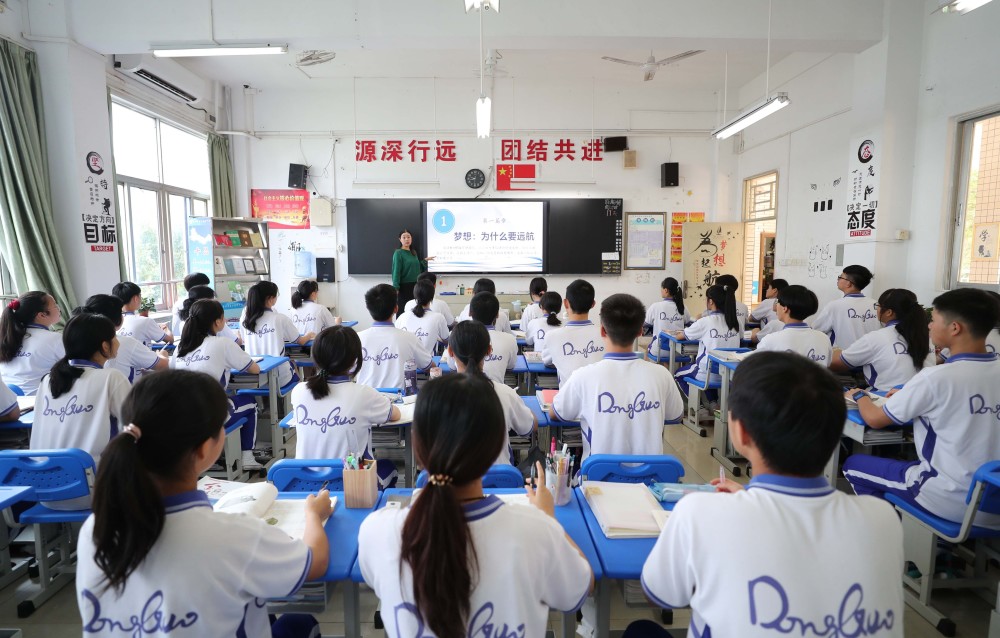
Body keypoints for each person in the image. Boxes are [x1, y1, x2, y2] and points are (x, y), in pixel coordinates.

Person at [635, 352, 903, 638]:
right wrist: (751, 497)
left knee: (641, 630)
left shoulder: (699, 512)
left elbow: (660, 595)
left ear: (741, 433)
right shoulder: (883, 518)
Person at [76, 369, 333, 638]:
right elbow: (316, 562)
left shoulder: (95, 529)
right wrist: (313, 514)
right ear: (203, 449)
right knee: (299, 623)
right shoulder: (232, 535)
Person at [358, 373, 593, 638]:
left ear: (418, 447)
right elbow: (582, 587)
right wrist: (549, 518)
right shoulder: (536, 530)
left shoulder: (377, 532)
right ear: (496, 450)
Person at [843, 288, 1000, 528]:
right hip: (994, 501)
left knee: (854, 465)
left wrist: (861, 396)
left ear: (955, 328)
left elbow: (874, 418)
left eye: (933, 320)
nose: (928, 326)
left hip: (950, 498)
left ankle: (892, 537)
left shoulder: (936, 378)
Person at [551, 294, 684, 462]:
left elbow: (555, 413)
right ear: (640, 331)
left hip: (597, 482)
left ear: (602, 330)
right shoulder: (662, 375)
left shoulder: (583, 376)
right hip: (651, 483)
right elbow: (675, 415)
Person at [291, 326, 400, 488]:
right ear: (355, 360)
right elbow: (395, 414)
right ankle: (373, 509)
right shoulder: (364, 394)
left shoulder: (299, 391)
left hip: (302, 486)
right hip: (352, 486)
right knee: (390, 468)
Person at [30, 314, 130, 471]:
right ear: (105, 346)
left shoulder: (48, 380)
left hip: (40, 479)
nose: (117, 342)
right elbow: (136, 424)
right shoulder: (111, 377)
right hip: (89, 481)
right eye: (115, 336)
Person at [172, 299, 263, 470]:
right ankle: (247, 457)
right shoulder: (223, 343)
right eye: (223, 317)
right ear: (217, 321)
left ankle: (209, 460)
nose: (225, 321)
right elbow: (255, 369)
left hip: (182, 417)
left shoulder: (180, 348)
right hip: (211, 415)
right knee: (250, 401)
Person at [448, 321, 536, 465]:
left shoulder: (435, 396)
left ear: (450, 351)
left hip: (453, 482)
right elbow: (529, 427)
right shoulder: (506, 393)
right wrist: (523, 407)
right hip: (501, 482)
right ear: (489, 350)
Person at [829, 288, 929, 391]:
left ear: (889, 312)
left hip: (886, 398)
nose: (876, 310)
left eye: (878, 306)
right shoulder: (926, 337)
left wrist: (832, 352)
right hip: (922, 397)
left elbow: (837, 364)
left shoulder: (877, 337)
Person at [75, 294, 169, 384]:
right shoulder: (125, 343)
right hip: (129, 398)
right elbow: (163, 365)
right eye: (121, 313)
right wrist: (162, 354)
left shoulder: (79, 342)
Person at [356, 284, 434, 389]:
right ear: (396, 308)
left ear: (368, 309)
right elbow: (429, 367)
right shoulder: (410, 338)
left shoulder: (356, 339)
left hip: (365, 401)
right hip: (400, 402)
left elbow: (348, 372)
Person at [673, 284, 740, 403]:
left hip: (707, 373)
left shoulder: (705, 322)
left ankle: (700, 408)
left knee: (678, 374)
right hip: (730, 375)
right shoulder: (735, 322)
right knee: (708, 365)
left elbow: (680, 336)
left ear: (711, 302)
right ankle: (713, 403)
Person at [240, 281, 313, 388]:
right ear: (270, 298)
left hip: (252, 378)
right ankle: (294, 401)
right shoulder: (280, 318)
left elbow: (243, 340)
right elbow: (300, 341)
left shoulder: (245, 321)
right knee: (292, 365)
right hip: (277, 377)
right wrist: (309, 335)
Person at [542, 279, 605, 387]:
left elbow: (547, 361)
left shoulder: (552, 336)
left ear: (566, 303)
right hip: (598, 399)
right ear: (593, 304)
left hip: (568, 401)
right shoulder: (606, 335)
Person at [0, 291, 65, 395]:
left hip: (8, 402)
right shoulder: (55, 339)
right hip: (36, 402)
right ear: (42, 315)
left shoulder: (7, 337)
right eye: (55, 305)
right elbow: (77, 367)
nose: (58, 308)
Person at [753, 285, 832, 366]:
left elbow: (753, 366)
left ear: (785, 308)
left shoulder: (770, 340)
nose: (775, 306)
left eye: (777, 302)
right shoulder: (824, 339)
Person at [809, 264, 878, 349]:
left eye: (840, 277)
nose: (838, 279)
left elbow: (816, 330)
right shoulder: (876, 305)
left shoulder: (835, 306)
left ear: (848, 283)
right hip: (872, 358)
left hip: (842, 358)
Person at [468, 292, 517, 384]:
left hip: (466, 392)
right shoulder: (510, 339)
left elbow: (452, 366)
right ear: (497, 315)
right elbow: (511, 366)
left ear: (470, 313)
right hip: (497, 393)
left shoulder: (459, 336)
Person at [394, 280, 451, 353]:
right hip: (427, 362)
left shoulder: (402, 317)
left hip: (403, 361)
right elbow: (446, 340)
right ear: (432, 297)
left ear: (415, 296)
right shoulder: (438, 318)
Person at [643, 277, 690, 360]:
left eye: (661, 288)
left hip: (660, 349)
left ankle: (663, 370)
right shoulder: (683, 307)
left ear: (666, 290)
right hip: (679, 351)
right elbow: (687, 322)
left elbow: (646, 323)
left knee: (647, 350)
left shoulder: (656, 306)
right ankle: (669, 369)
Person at [391, 229, 434, 317]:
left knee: (414, 311)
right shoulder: (398, 253)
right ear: (400, 239)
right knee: (403, 311)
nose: (407, 239)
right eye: (404, 237)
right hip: (403, 287)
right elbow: (396, 271)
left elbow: (418, 268)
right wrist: (396, 287)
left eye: (408, 237)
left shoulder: (413, 252)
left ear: (411, 238)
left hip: (415, 286)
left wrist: (425, 261)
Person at [170, 272, 210, 337]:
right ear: (199, 288)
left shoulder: (178, 302)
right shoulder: (202, 304)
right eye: (206, 286)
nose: (208, 289)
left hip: (180, 340)